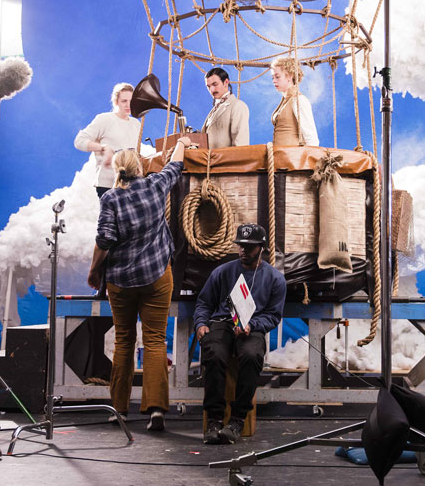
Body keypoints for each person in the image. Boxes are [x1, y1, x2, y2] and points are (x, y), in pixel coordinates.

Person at [86, 136, 191, 431]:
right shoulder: (155, 185)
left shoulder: (110, 199)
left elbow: (104, 240)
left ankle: (117, 410)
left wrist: (95, 271)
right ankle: (156, 409)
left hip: (121, 281)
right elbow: (176, 164)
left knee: (124, 341)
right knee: (156, 339)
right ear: (140, 167)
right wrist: (181, 141)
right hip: (157, 275)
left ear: (117, 170)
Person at [194, 223, 286, 444]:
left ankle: (237, 420)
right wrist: (201, 324)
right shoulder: (222, 272)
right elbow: (204, 303)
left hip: (251, 327)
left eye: (249, 246)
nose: (243, 250)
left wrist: (252, 325)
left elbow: (273, 316)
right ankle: (214, 420)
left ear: (261, 248)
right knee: (214, 353)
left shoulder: (275, 279)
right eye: (241, 246)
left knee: (252, 355)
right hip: (222, 322)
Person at [74, 82, 142, 198]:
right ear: (116, 102)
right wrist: (103, 148)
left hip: (131, 184)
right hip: (108, 186)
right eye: (124, 101)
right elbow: (79, 141)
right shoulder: (104, 119)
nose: (128, 105)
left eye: (131, 101)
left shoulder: (136, 124)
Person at [270, 56, 318, 147]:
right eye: (272, 78)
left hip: (293, 158)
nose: (274, 81)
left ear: (290, 76)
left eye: (277, 77)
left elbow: (312, 139)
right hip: (279, 157)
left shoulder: (299, 100)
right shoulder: (285, 100)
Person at [201, 67, 250, 148]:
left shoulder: (238, 106)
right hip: (209, 159)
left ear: (226, 82)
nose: (212, 90)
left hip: (226, 160)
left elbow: (241, 146)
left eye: (215, 84)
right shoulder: (215, 109)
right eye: (208, 86)